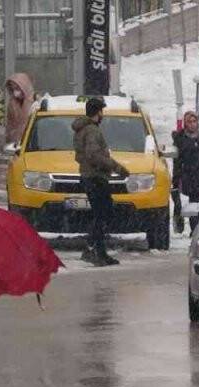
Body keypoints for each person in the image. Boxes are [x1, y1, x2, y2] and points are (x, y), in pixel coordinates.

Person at [72, 96, 129, 267]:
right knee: (104, 214)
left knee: (101, 214)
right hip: (96, 177)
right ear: (98, 112)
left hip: (89, 176)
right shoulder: (92, 130)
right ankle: (94, 250)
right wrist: (117, 167)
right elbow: (93, 155)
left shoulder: (82, 129)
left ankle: (97, 251)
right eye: (101, 111)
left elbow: (81, 155)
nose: (102, 115)